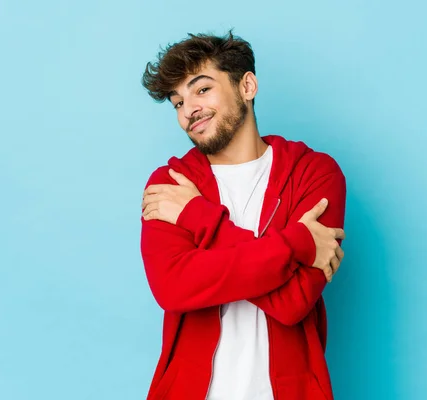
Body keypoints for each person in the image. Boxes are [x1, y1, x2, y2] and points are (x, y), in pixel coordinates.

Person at [140, 30, 347, 400]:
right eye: (177, 102)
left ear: (247, 85)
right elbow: (174, 288)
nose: (189, 110)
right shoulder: (170, 184)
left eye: (202, 89)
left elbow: (293, 302)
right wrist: (298, 242)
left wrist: (196, 216)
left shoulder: (314, 173)